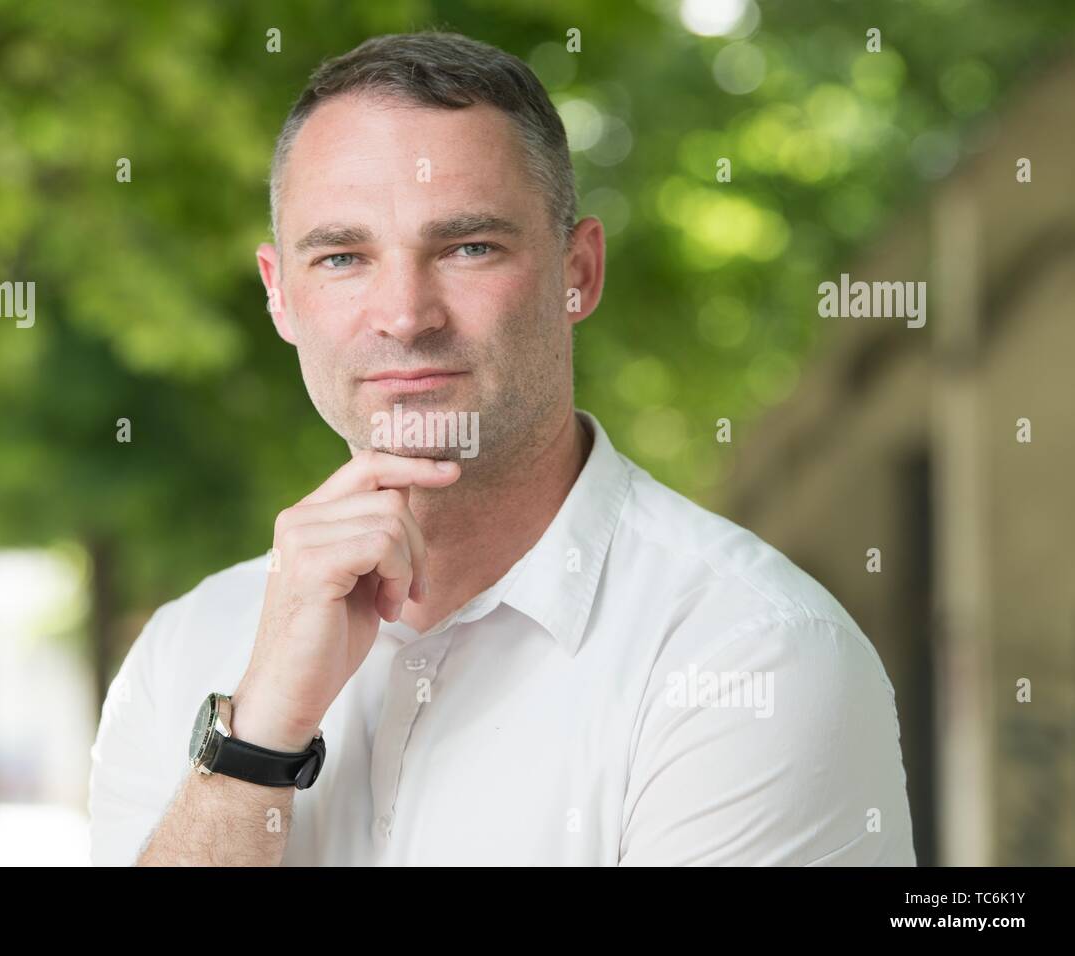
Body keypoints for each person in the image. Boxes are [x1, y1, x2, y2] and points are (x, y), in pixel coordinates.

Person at [88, 30, 916, 866]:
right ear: (280, 297)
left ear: (578, 271)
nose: (406, 315)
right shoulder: (181, 652)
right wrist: (255, 741)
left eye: (468, 248)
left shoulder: (753, 655)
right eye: (343, 257)